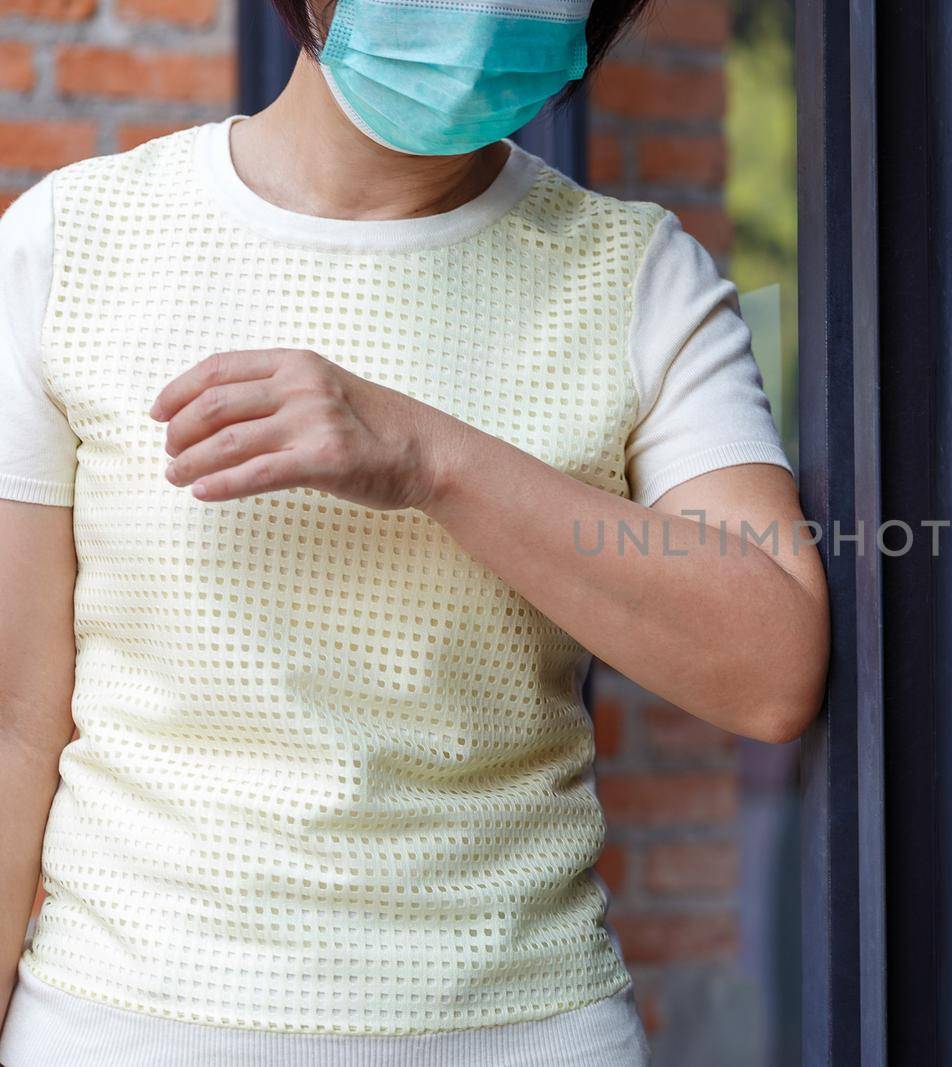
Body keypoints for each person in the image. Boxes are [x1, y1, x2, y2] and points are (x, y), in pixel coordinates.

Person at [0, 0, 829, 1064]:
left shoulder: (638, 281)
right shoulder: (71, 246)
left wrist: (430, 459)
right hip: (122, 1023)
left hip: (520, 1029)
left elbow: (767, 662)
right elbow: (17, 720)